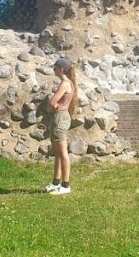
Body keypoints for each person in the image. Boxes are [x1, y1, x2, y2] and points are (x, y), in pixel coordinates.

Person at [45, 58, 78, 195]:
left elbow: (52, 102)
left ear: (61, 69)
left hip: (60, 117)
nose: (54, 70)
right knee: (58, 152)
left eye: (55, 68)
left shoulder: (65, 84)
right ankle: (56, 182)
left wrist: (55, 106)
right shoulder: (68, 83)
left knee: (62, 153)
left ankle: (65, 185)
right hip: (60, 117)